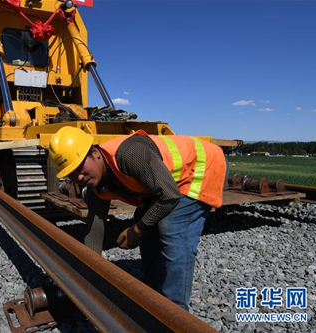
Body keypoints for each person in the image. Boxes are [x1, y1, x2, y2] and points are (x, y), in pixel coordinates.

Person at [48, 126, 227, 311]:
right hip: (167, 184)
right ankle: (153, 294)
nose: (78, 177)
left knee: (171, 227)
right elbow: (94, 231)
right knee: (149, 231)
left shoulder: (129, 155)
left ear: (95, 153)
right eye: (71, 173)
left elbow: (169, 196)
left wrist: (136, 229)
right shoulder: (96, 188)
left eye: (79, 167)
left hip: (200, 168)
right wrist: (88, 273)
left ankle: (175, 313)